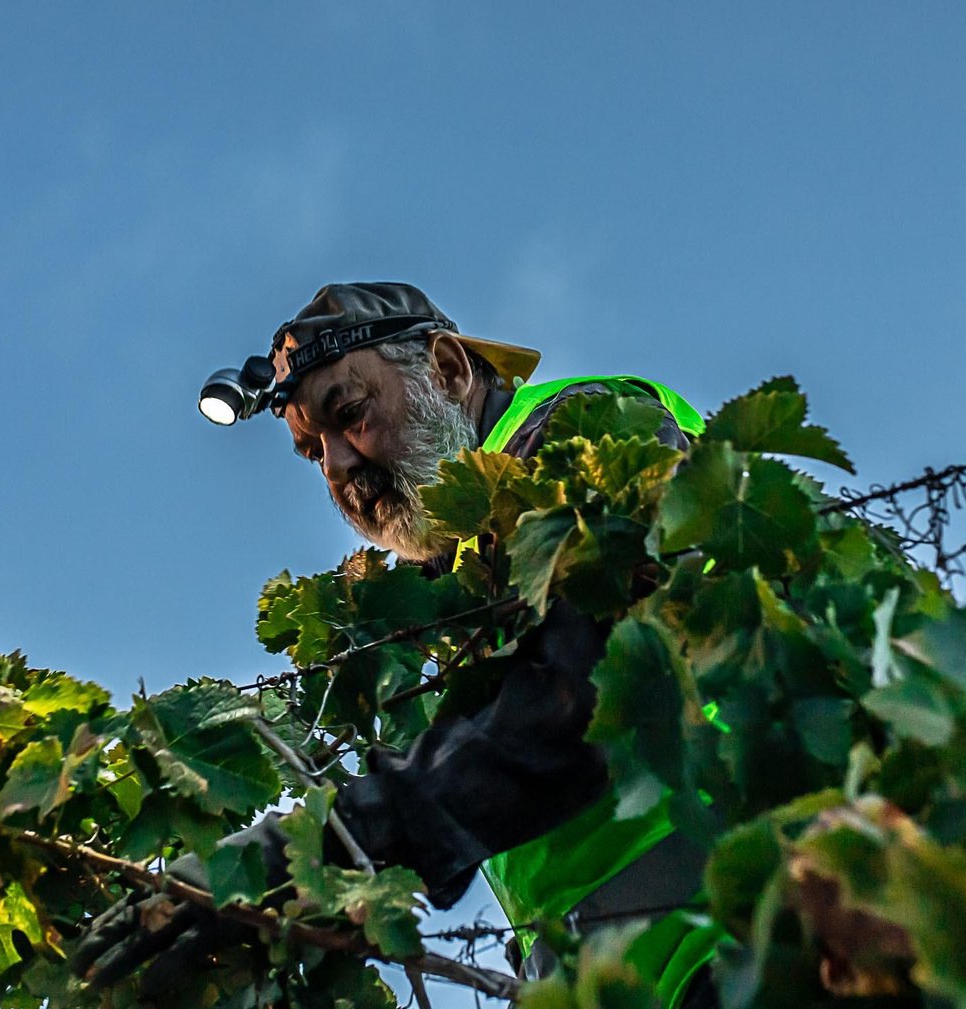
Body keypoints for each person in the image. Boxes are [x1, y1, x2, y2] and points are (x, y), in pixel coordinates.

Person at [75, 282, 722, 1008]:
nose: (336, 467)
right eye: (311, 452)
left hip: (752, 917)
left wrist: (317, 845)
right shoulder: (455, 593)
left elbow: (592, 688)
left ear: (447, 370)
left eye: (351, 413)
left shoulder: (583, 433)